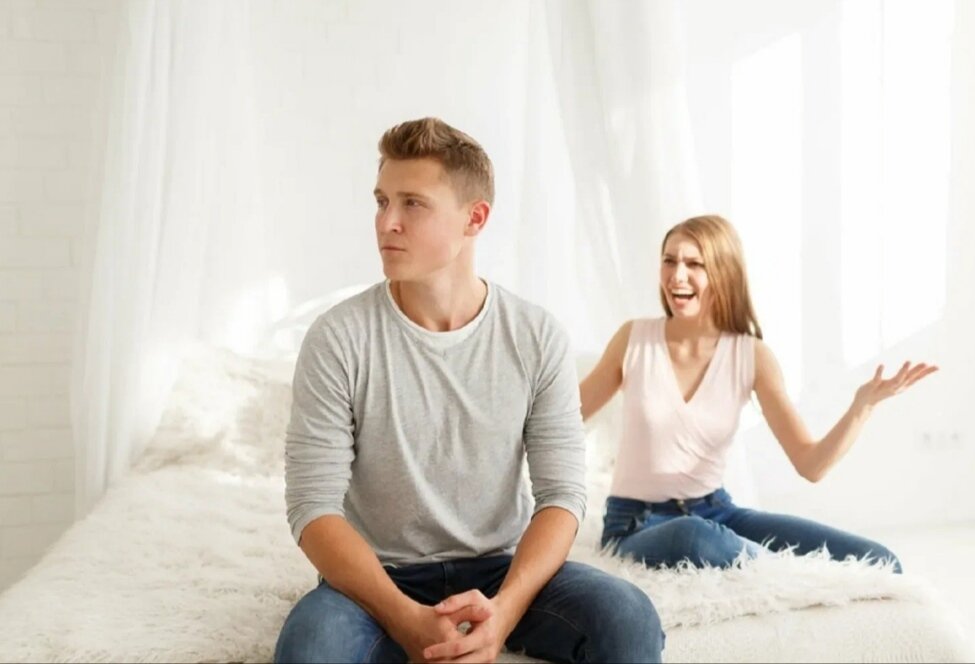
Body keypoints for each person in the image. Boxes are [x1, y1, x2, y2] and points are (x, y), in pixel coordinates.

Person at [274, 117, 663, 664]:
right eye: (382, 201)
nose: (387, 222)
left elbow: (561, 495)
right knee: (310, 648)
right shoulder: (338, 338)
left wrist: (505, 612)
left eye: (413, 203)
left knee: (628, 615)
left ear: (474, 218)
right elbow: (312, 507)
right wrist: (405, 619)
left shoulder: (535, 335)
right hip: (378, 577)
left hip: (502, 571)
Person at [579, 214, 937, 573]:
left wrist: (862, 406)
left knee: (879, 560)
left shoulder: (751, 356)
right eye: (669, 261)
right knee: (694, 537)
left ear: (723, 272)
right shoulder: (634, 340)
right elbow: (567, 416)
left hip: (717, 512)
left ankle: (775, 564)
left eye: (694, 264)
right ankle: (785, 570)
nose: (677, 275)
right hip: (636, 523)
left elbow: (811, 464)